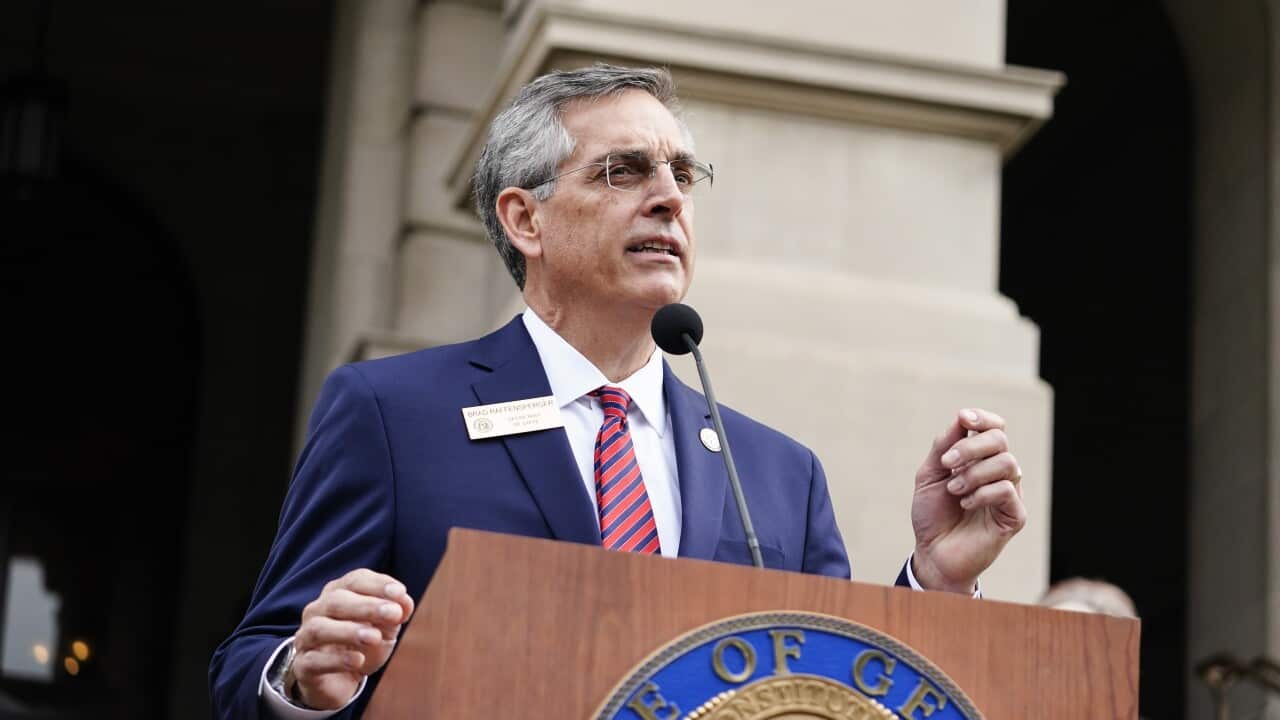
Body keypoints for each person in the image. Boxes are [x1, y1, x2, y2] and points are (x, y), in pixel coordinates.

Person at [208, 64, 1028, 719]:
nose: (669, 197)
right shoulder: (393, 413)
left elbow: (828, 684)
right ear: (525, 220)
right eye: (624, 171)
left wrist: (935, 582)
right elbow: (254, 661)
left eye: (682, 174)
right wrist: (305, 679)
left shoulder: (778, 471)